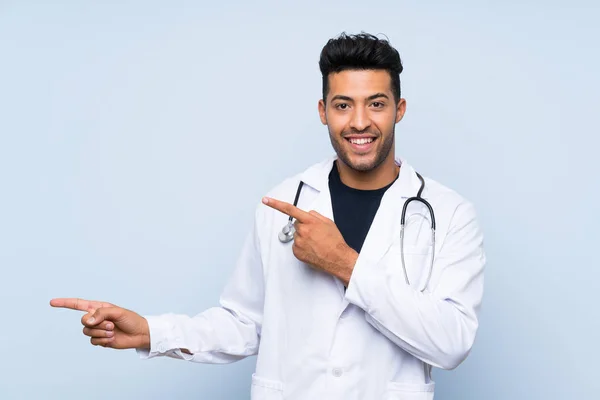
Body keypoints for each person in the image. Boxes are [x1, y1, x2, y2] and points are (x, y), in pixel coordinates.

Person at [51, 32, 485, 399]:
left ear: (399, 109)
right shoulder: (282, 202)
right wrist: (151, 331)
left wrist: (345, 264)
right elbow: (245, 324)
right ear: (323, 112)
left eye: (375, 104)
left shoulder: (448, 214)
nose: (359, 122)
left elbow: (451, 343)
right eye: (342, 105)